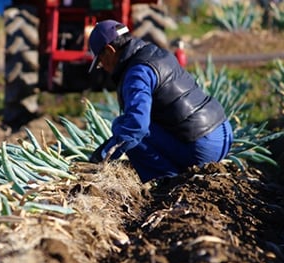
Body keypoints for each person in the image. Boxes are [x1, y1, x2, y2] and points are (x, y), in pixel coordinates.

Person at [87, 19, 233, 183]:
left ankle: (167, 183)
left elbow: (136, 127)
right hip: (223, 133)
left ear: (109, 50)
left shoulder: (136, 74)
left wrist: (103, 155)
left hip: (202, 146)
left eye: (100, 62)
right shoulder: (155, 53)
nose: (104, 68)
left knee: (124, 127)